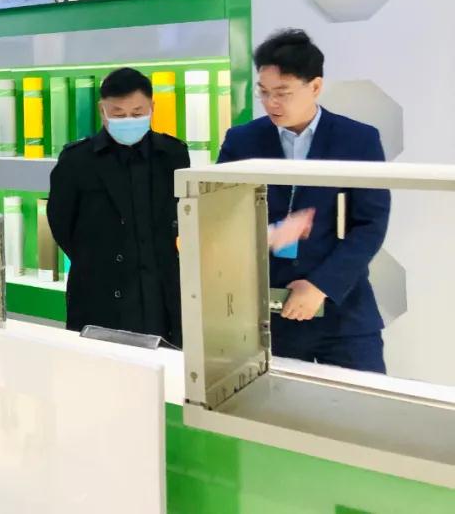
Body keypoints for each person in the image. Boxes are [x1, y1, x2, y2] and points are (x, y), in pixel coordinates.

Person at [218, 28, 390, 373]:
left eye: (282, 93)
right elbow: (220, 216)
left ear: (315, 86)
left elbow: (370, 225)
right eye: (263, 92)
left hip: (344, 312)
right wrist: (267, 235)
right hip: (269, 312)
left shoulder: (357, 139)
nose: (271, 103)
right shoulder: (242, 141)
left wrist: (320, 286)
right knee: (274, 403)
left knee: (362, 403)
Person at [47, 68, 191, 343]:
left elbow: (180, 215)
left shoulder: (173, 154)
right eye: (119, 114)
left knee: (167, 363)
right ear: (102, 111)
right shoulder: (77, 160)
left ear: (152, 108)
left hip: (161, 292)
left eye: (137, 113)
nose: (129, 121)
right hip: (98, 293)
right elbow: (61, 224)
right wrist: (98, 259)